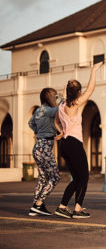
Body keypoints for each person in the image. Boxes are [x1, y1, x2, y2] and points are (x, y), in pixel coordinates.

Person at [54, 60, 103, 219]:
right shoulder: (75, 104)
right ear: (78, 92)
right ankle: (77, 209)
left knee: (78, 178)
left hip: (64, 144)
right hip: (74, 143)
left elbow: (55, 122)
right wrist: (93, 71)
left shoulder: (61, 105)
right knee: (84, 176)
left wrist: (61, 132)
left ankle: (62, 206)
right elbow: (91, 89)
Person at [27, 88, 63, 216]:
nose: (56, 97)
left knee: (42, 178)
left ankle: (35, 207)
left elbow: (30, 123)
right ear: (49, 97)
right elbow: (60, 109)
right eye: (54, 95)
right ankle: (38, 204)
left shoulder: (38, 110)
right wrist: (61, 99)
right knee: (55, 177)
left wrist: (38, 131)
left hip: (38, 146)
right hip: (45, 147)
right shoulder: (49, 110)